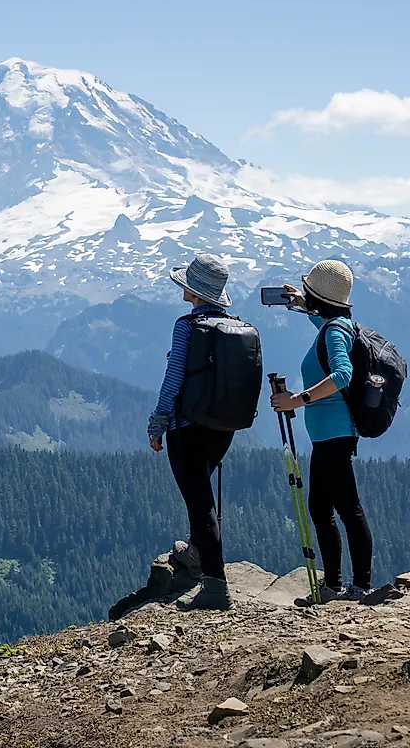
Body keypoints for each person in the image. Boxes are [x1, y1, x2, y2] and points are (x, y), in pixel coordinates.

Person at [268, 259, 373, 603]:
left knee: (347, 509)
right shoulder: (335, 324)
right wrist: (303, 305)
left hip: (335, 434)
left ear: (319, 297)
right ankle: (335, 586)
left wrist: (299, 399)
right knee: (321, 509)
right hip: (328, 436)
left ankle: (358, 587)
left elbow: (342, 373)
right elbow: (327, 323)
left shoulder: (334, 332)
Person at [147, 253, 236, 611]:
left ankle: (214, 584)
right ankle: (197, 551)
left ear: (193, 291)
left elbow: (173, 380)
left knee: (200, 504)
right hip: (223, 427)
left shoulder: (186, 326)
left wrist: (158, 422)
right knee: (201, 494)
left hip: (187, 428)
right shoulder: (231, 327)